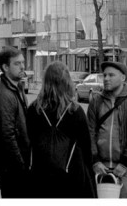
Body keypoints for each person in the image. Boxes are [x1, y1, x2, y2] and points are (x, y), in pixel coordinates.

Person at [25, 62, 96, 198]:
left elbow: (27, 142)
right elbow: (86, 148)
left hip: (40, 176)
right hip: (71, 176)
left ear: (45, 81)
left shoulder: (34, 110)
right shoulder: (75, 111)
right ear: (67, 82)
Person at [87, 60, 127, 198]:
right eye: (104, 75)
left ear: (123, 78)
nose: (106, 79)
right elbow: (89, 132)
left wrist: (125, 164)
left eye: (111, 75)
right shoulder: (96, 101)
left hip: (124, 170)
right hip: (100, 168)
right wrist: (95, 161)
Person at [0, 47, 31, 198]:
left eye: (23, 62)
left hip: (16, 167)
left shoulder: (17, 88)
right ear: (5, 67)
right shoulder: (3, 95)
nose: (22, 67)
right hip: (12, 170)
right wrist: (21, 167)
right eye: (17, 64)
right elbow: (7, 136)